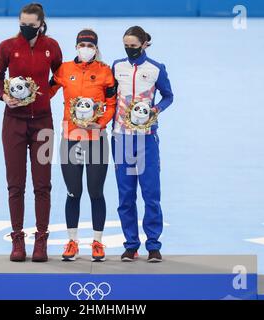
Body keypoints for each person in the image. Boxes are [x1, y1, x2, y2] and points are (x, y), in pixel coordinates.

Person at [0, 3, 62, 262]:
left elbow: (59, 75)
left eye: (31, 25)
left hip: (43, 123)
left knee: (43, 184)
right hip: (13, 123)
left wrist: (44, 95)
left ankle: (41, 240)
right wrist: (4, 96)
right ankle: (18, 239)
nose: (26, 28)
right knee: (15, 184)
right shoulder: (7, 46)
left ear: (41, 24)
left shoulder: (51, 46)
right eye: (22, 23)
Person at [50, 29, 116, 262]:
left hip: (96, 140)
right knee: (73, 192)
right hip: (70, 139)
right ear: (76, 47)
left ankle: (97, 242)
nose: (85, 48)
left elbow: (111, 103)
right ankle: (72, 241)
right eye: (82, 44)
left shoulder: (106, 72)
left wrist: (102, 123)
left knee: (96, 193)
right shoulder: (64, 70)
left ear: (96, 48)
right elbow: (46, 90)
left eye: (90, 45)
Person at [111, 26, 174, 262]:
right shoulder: (117, 67)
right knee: (125, 195)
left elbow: (168, 96)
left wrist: (155, 110)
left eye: (133, 46)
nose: (129, 50)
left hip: (146, 139)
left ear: (144, 44)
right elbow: (110, 96)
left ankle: (154, 245)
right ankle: (131, 244)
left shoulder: (156, 69)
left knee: (150, 194)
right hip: (122, 138)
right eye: (126, 46)